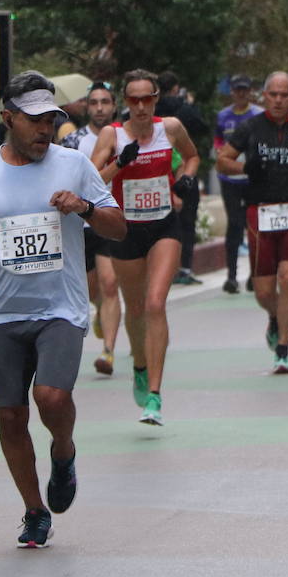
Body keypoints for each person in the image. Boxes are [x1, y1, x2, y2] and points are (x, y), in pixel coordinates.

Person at [0, 71, 124, 548]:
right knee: (9, 416)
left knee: (50, 397)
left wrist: (84, 207)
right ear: (8, 119)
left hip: (61, 309)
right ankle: (34, 510)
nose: (45, 129)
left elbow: (118, 227)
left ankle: (63, 452)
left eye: (51, 120)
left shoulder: (74, 166)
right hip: (5, 314)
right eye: (34, 121)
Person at [91, 69, 200, 425]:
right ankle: (139, 363)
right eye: (133, 100)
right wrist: (119, 163)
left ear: (155, 99)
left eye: (147, 99)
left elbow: (192, 156)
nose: (140, 106)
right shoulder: (113, 134)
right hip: (126, 230)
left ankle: (154, 394)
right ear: (125, 102)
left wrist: (184, 179)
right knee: (135, 308)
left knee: (155, 303)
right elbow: (91, 181)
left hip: (164, 225)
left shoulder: (169, 128)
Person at [217, 71, 288, 374]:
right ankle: (275, 317)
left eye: (284, 95)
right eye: (273, 95)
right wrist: (244, 167)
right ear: (264, 96)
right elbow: (222, 160)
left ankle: (283, 350)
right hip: (260, 211)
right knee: (264, 291)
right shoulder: (249, 127)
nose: (279, 100)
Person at [61, 82, 123, 373]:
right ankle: (99, 311)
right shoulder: (73, 141)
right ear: (87, 106)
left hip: (111, 218)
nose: (100, 107)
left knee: (110, 283)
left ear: (113, 106)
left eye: (105, 102)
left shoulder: (125, 136)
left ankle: (108, 352)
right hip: (82, 222)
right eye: (94, 102)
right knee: (91, 288)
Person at [155, 71, 210, 286]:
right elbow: (203, 127)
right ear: (176, 88)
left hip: (156, 171)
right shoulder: (185, 109)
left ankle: (164, 269)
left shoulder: (153, 110)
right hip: (185, 170)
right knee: (187, 222)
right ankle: (184, 267)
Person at [214, 74, 262, 294]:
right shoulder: (223, 116)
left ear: (250, 91)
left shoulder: (258, 115)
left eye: (245, 90)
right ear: (232, 91)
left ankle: (255, 274)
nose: (241, 94)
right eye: (237, 90)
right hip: (229, 180)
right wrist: (220, 153)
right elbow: (217, 140)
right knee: (234, 224)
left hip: (253, 179)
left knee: (253, 225)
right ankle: (232, 276)